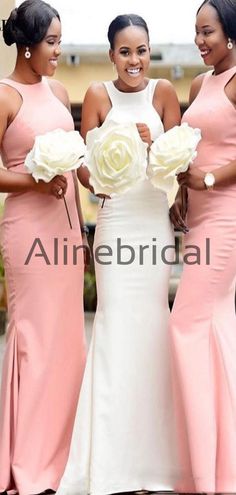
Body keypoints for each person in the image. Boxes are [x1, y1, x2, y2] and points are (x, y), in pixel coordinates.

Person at [57, 13, 181, 495]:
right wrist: (106, 172)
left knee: (152, 327)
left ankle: (157, 460)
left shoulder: (166, 94)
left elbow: (179, 162)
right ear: (111, 54)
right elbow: (85, 167)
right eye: (125, 51)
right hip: (115, 224)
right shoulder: (95, 96)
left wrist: (155, 147)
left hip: (152, 222)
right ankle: (107, 463)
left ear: (150, 52)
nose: (135, 60)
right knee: (113, 328)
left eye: (142, 50)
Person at [0, 1, 87, 494]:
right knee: (34, 343)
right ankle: (26, 465)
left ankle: (62, 459)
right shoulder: (5, 95)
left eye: (60, 40)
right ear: (28, 44)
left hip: (66, 229)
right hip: (28, 229)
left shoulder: (57, 90)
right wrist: (33, 183)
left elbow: (75, 166)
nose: (58, 50)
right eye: (52, 42)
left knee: (68, 346)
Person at [169, 0, 236, 492]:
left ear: (230, 31)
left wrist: (208, 180)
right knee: (213, 325)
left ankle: (208, 466)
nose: (199, 41)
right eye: (195, 32)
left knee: (186, 323)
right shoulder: (199, 83)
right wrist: (182, 193)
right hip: (198, 215)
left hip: (228, 214)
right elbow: (190, 149)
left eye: (207, 31)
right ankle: (209, 464)